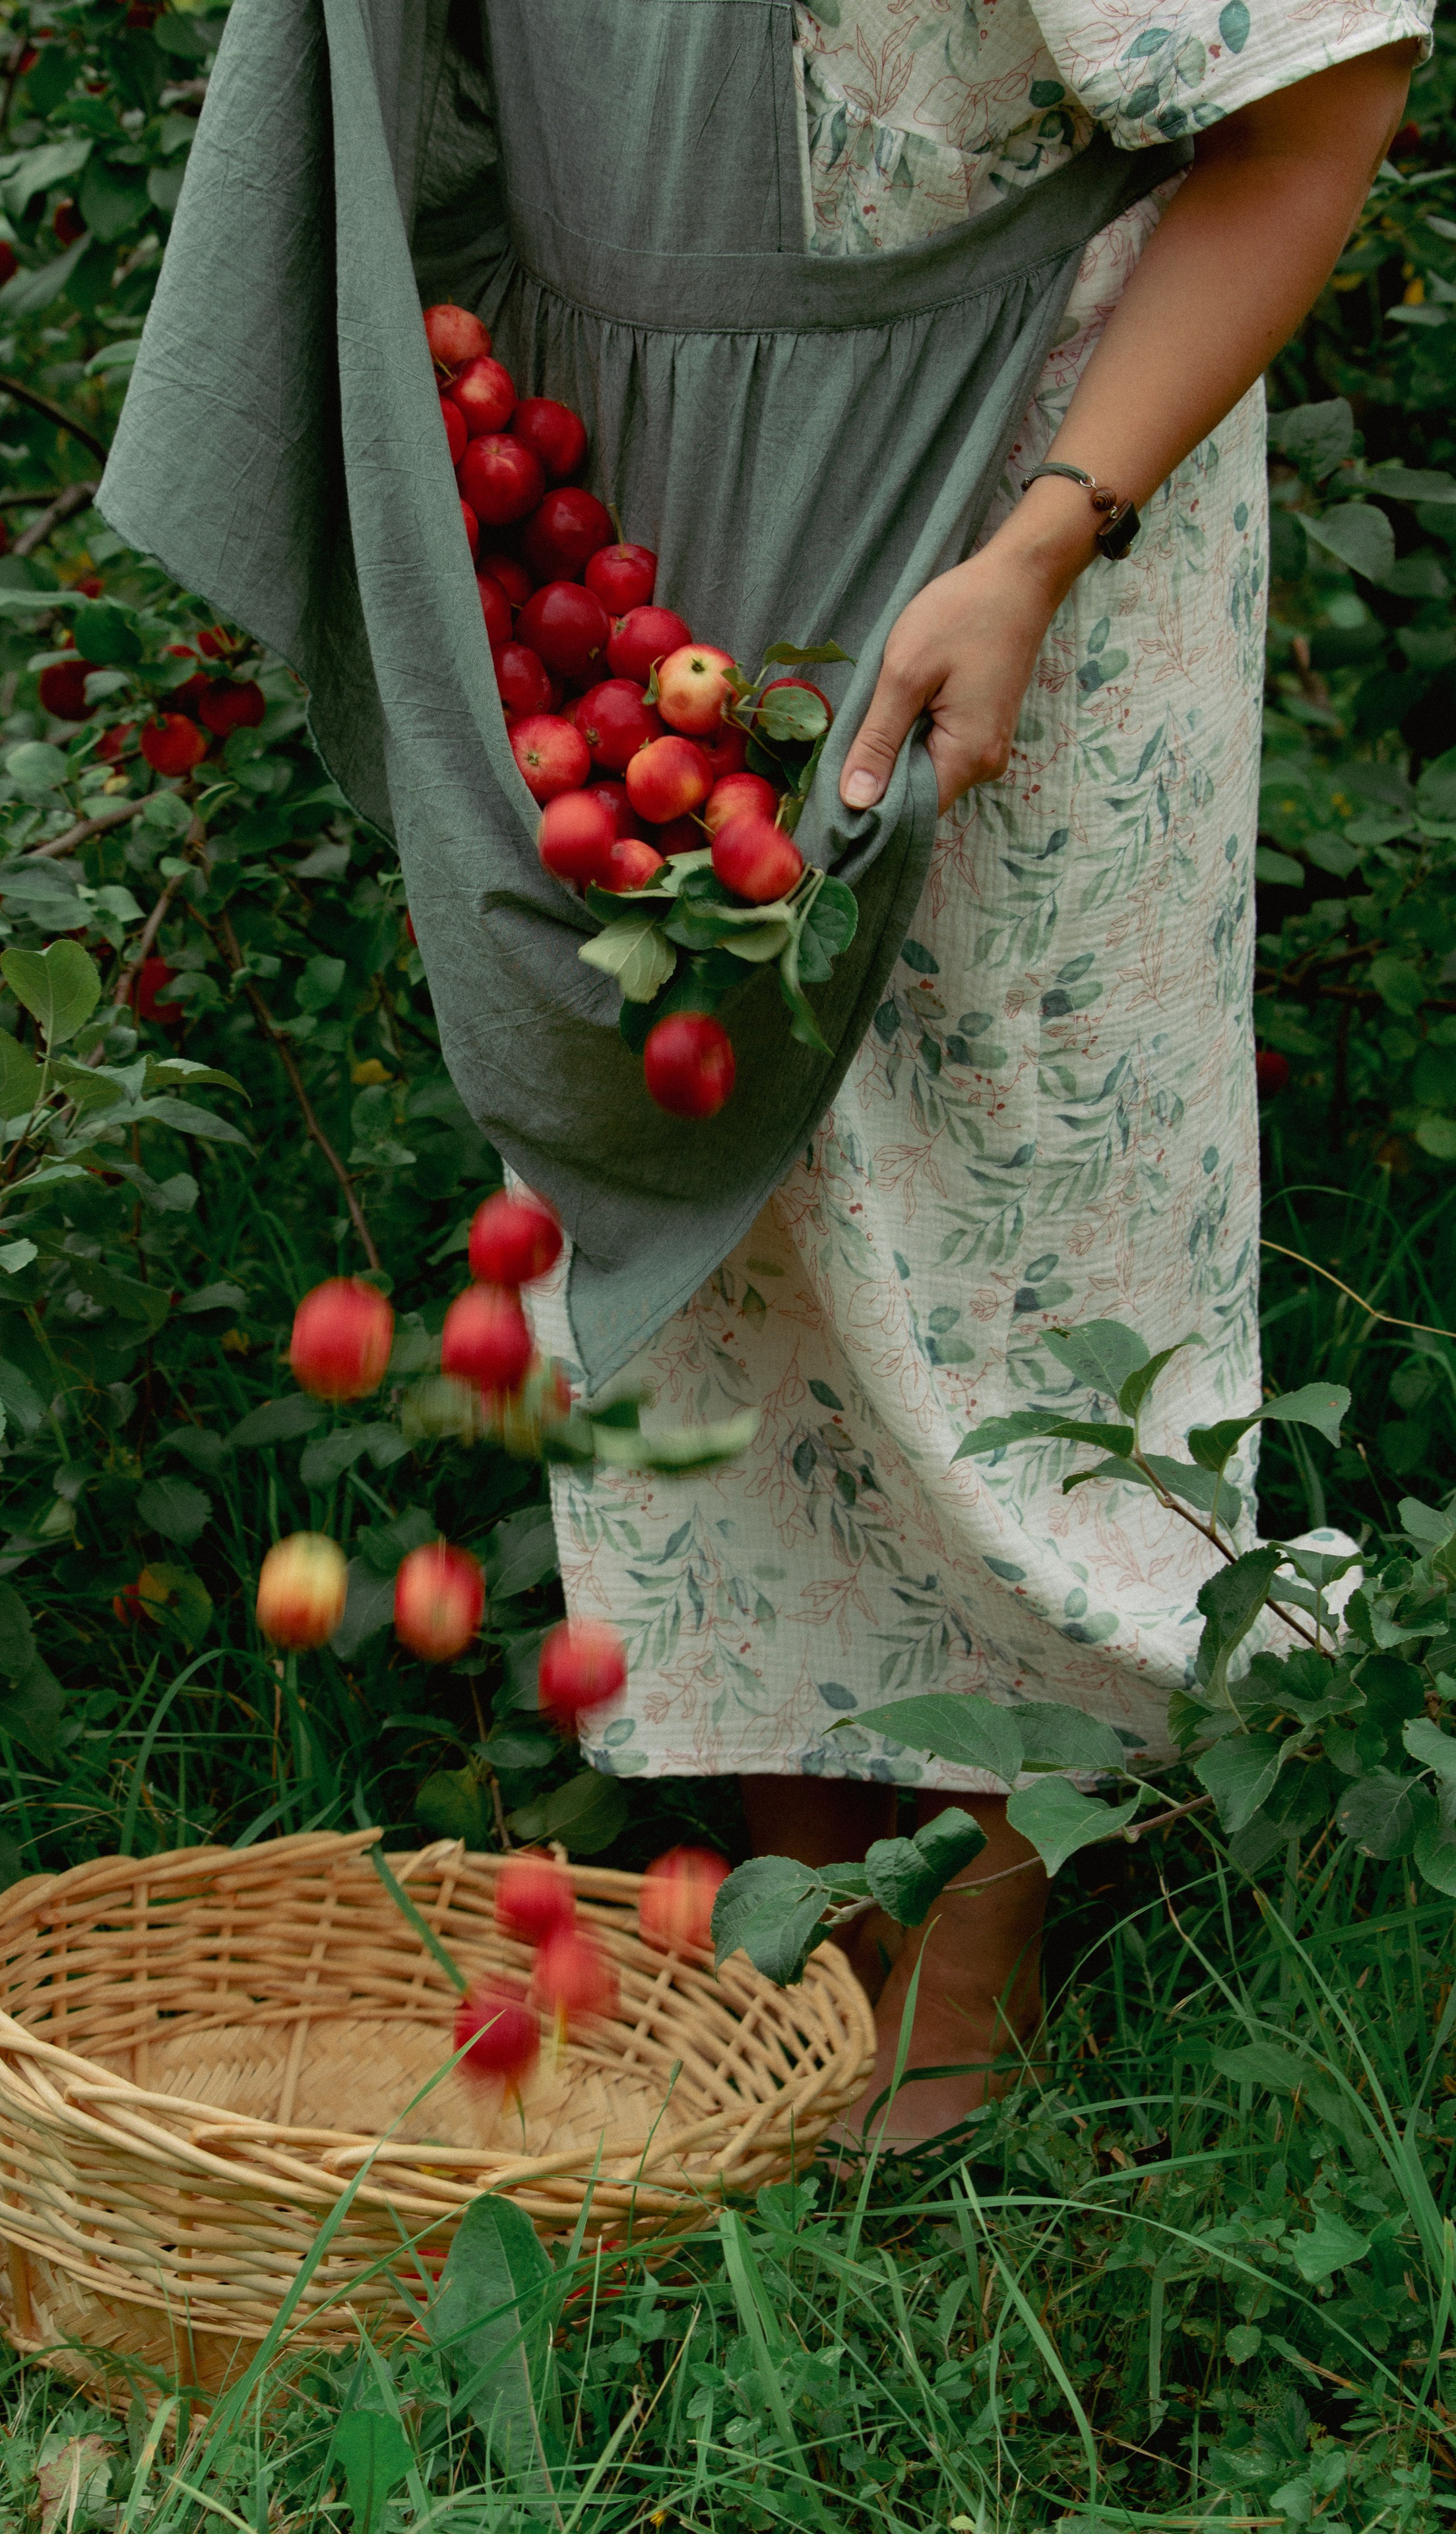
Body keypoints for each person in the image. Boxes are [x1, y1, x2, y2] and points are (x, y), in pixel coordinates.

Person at [530, 1, 1430, 2146]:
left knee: (1010, 1205)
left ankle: (979, 1921)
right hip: (636, 519)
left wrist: (1042, 539)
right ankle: (806, 1879)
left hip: (1005, 507)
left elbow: (1321, 97)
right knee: (720, 1208)